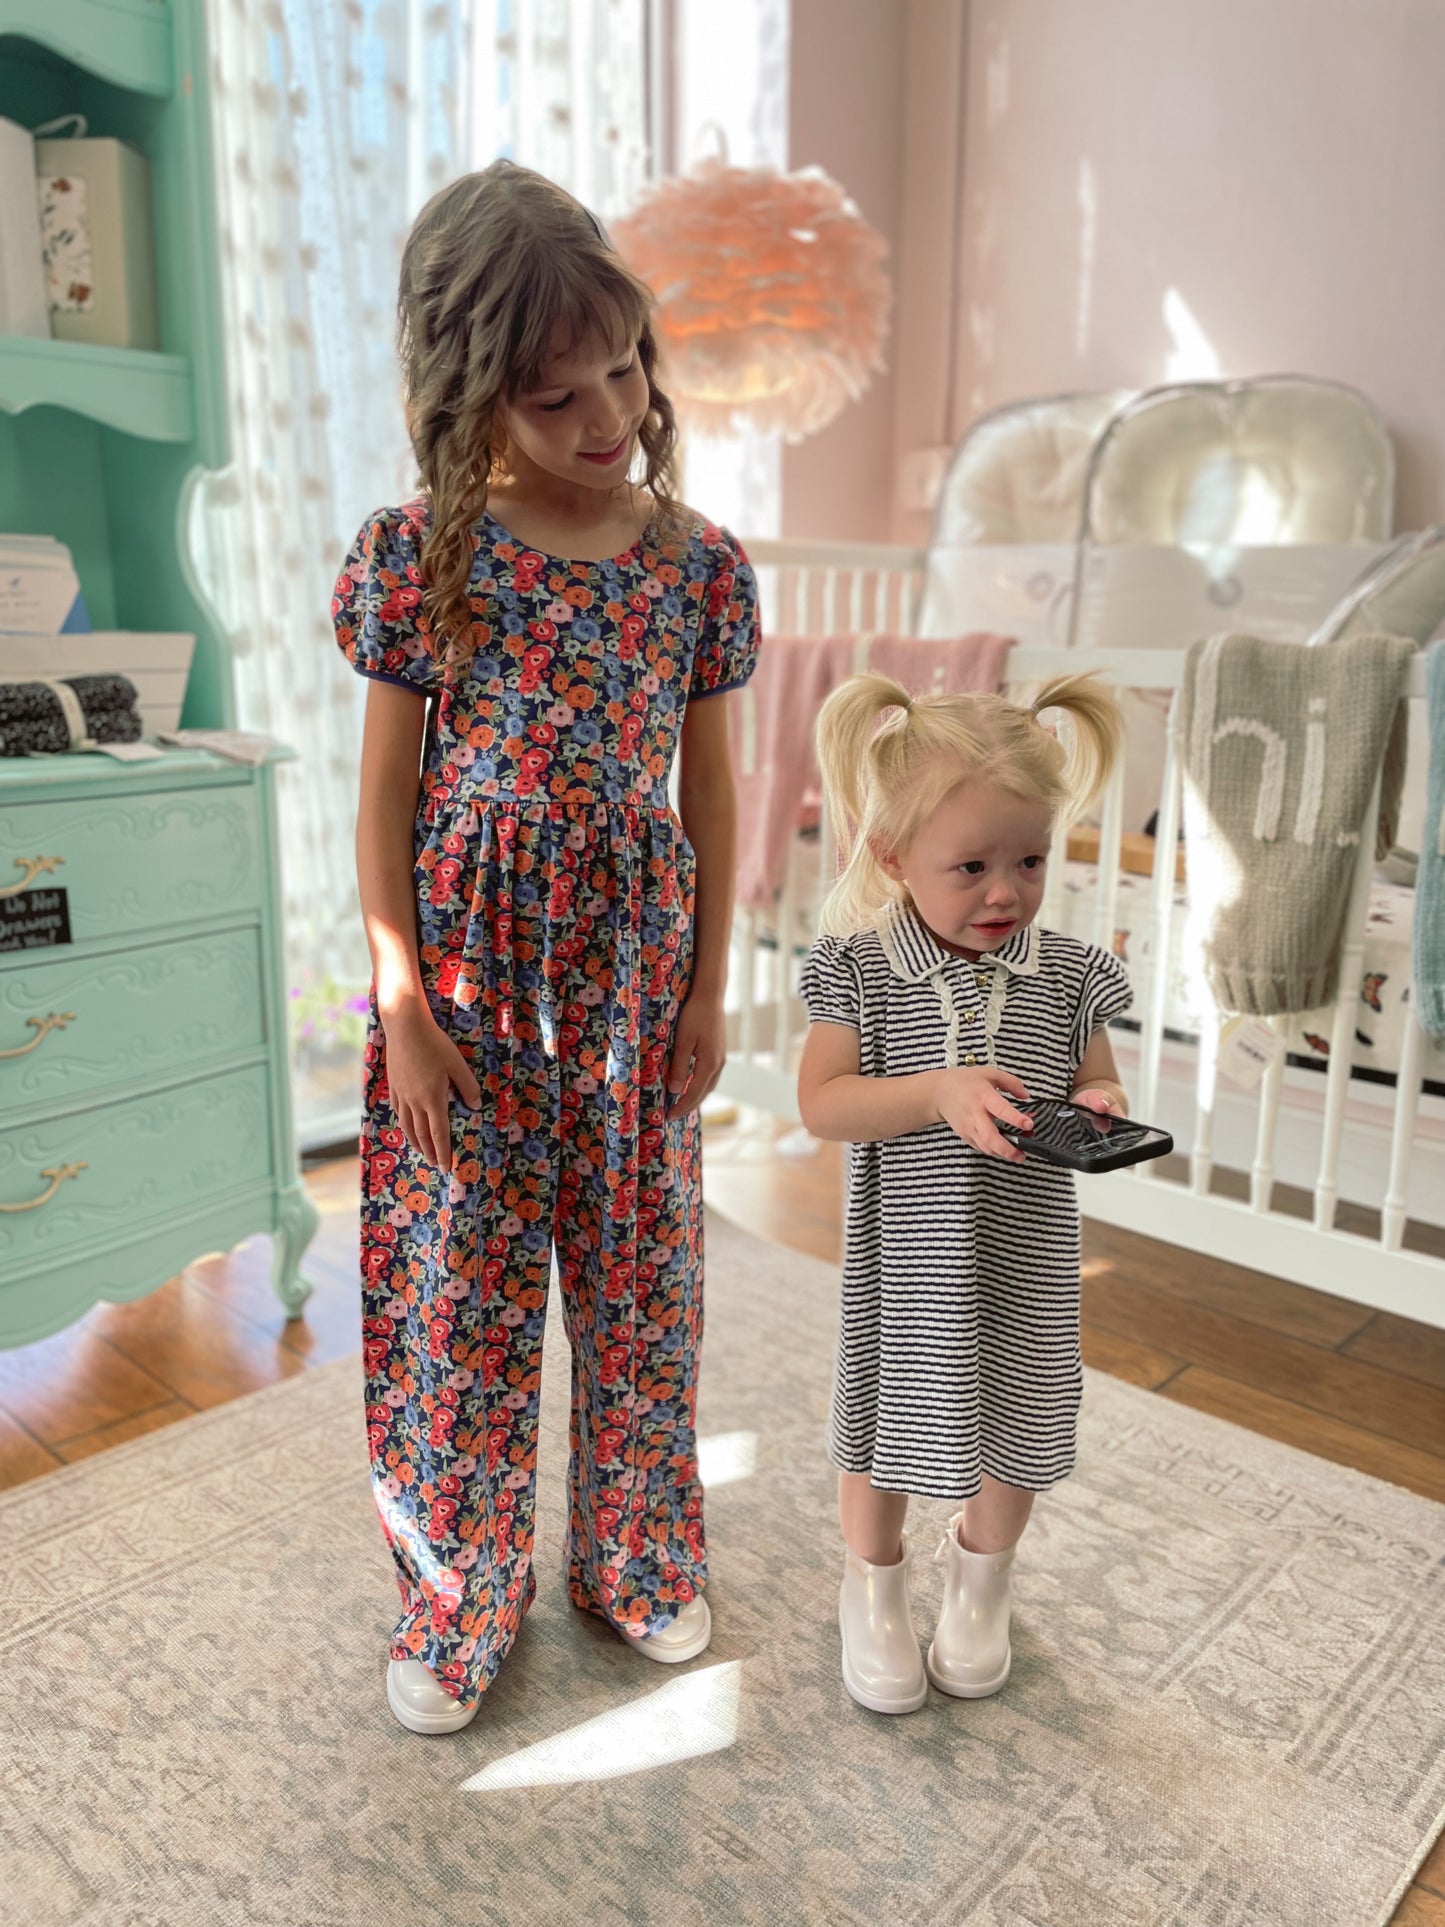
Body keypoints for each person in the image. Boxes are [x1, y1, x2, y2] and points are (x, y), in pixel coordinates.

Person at [332, 160, 759, 1735]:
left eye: (624, 366)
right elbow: (385, 801)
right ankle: (457, 1592)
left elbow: (711, 789)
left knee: (643, 1276)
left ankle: (636, 1553)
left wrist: (714, 982)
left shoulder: (696, 564)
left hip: (636, 968)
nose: (606, 413)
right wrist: (403, 1004)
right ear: (466, 399)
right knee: (464, 1291)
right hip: (464, 979)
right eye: (551, 390)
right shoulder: (419, 554)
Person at [795, 671, 1129, 1715]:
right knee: (887, 1420)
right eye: (971, 866)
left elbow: (1095, 1072)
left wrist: (1103, 1097)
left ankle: (980, 1580)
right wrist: (935, 1089)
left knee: (1021, 1411)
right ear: (892, 859)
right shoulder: (856, 970)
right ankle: (874, 1584)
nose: (1005, 891)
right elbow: (822, 1103)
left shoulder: (1068, 972)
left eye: (1029, 860)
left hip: (1024, 1249)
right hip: (910, 1256)